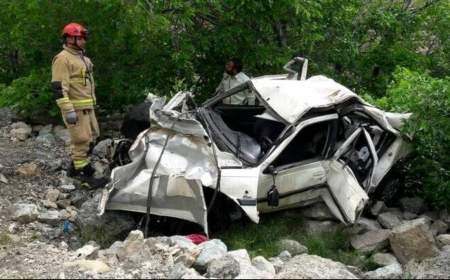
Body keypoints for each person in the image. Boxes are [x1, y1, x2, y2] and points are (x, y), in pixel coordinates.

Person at [51, 23, 104, 187]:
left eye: (83, 38)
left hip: (88, 107)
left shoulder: (84, 59)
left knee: (93, 136)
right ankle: (85, 175)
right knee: (81, 140)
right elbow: (59, 88)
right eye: (79, 38)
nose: (83, 41)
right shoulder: (62, 59)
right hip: (75, 109)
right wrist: (68, 110)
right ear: (69, 39)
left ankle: (74, 167)